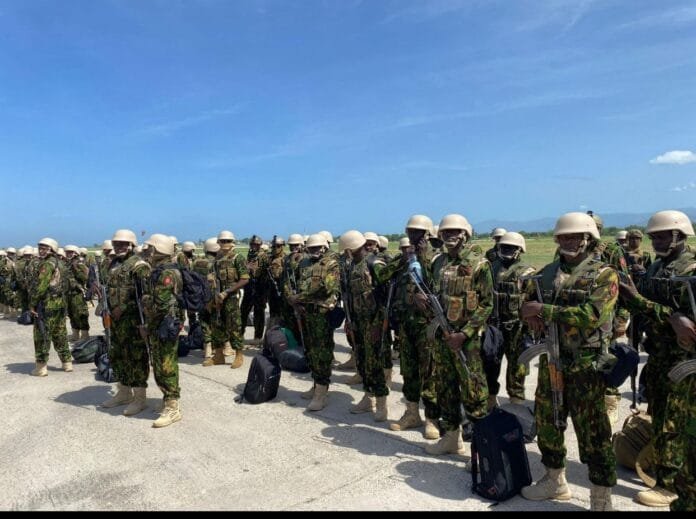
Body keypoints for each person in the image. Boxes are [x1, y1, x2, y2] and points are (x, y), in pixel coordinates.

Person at [520, 212, 618, 511]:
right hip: (552, 359)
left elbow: (593, 315)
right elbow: (527, 303)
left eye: (575, 236)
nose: (569, 241)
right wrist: (530, 314)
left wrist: (545, 310)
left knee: (593, 433)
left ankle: (600, 496)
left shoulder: (604, 274)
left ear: (589, 238)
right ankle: (554, 480)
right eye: (563, 236)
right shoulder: (547, 272)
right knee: (548, 422)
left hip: (586, 364)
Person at [619, 210, 695, 508]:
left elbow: (686, 321)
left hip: (683, 359)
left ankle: (670, 485)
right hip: (659, 355)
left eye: (663, 236)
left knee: (673, 423)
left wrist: (638, 300)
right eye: (654, 237)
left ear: (679, 235)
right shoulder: (657, 267)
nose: (656, 242)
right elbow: (648, 304)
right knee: (659, 416)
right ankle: (665, 471)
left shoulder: (691, 268)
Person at [422, 214, 493, 456]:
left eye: (455, 231)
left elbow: (487, 304)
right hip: (442, 336)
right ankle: (452, 438)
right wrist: (424, 301)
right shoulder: (438, 262)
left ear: (465, 234)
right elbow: (435, 293)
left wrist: (464, 333)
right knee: (445, 387)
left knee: (474, 392)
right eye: (446, 232)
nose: (450, 236)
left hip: (467, 342)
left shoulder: (479, 264)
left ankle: (481, 451)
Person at [389, 216, 441, 439]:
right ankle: (411, 413)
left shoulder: (437, 257)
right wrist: (404, 258)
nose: (413, 235)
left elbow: (439, 285)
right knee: (408, 370)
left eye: (418, 232)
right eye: (410, 231)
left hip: (427, 325)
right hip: (406, 324)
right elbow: (382, 276)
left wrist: (424, 256)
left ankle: (432, 418)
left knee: (429, 372)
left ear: (427, 233)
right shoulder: (406, 258)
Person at [101, 229, 152, 416]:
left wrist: (123, 307)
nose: (119, 247)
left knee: (136, 358)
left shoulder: (139, 266)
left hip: (134, 321)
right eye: (116, 244)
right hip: (115, 321)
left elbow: (145, 296)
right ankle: (123, 392)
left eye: (123, 244)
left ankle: (140, 399)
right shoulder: (113, 264)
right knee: (118, 355)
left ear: (131, 245)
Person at [341, 231, 390, 422]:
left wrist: (380, 324)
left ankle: (382, 403)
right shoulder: (352, 265)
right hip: (358, 322)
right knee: (362, 361)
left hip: (374, 323)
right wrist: (350, 321)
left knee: (375, 363)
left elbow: (386, 295)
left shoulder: (374, 264)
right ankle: (368, 397)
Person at [288, 234, 340, 412]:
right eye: (311, 248)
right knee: (310, 350)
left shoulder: (331, 265)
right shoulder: (303, 264)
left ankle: (322, 391)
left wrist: (300, 297)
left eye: (318, 247)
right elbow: (292, 283)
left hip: (322, 315)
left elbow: (327, 288)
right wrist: (294, 301)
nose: (315, 250)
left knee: (322, 352)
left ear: (324, 247)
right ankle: (316, 383)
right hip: (305, 313)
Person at [487, 232, 535, 407]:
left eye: (511, 247)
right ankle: (491, 397)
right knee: (491, 362)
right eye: (504, 247)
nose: (506, 250)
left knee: (518, 365)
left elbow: (533, 299)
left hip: (517, 327)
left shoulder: (527, 272)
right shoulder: (490, 268)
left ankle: (516, 398)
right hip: (494, 325)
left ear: (519, 250)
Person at [143, 234, 184, 428]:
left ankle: (173, 407)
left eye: (151, 248)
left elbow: (160, 303)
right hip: (160, 324)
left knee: (166, 365)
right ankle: (167, 400)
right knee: (159, 363)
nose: (147, 251)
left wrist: (144, 300)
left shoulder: (167, 273)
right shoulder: (159, 270)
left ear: (159, 250)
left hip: (166, 324)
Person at [29, 238, 72, 376]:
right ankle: (67, 363)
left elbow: (41, 287)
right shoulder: (62, 264)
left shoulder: (47, 264)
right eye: (40, 248)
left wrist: (32, 304)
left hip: (46, 305)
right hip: (60, 304)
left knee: (42, 335)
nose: (41, 251)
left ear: (51, 249)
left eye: (44, 248)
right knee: (60, 333)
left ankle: (41, 367)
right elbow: (67, 284)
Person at [212, 231, 249, 368]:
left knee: (234, 326)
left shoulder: (237, 258)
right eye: (222, 241)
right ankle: (218, 355)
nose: (225, 244)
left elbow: (244, 279)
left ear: (232, 242)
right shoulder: (217, 259)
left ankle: (239, 355)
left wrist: (227, 292)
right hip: (218, 296)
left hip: (231, 297)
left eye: (227, 241)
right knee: (217, 325)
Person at [193, 238, 220, 367]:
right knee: (216, 321)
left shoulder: (196, 262)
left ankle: (207, 348)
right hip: (214, 297)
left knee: (203, 320)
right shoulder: (217, 263)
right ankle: (216, 348)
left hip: (200, 296)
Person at [240, 235, 268, 345]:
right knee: (243, 311)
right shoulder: (250, 254)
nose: (254, 246)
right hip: (249, 287)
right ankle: (240, 334)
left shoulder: (263, 256)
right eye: (252, 244)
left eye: (256, 244)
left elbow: (266, 272)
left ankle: (258, 337)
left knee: (259, 313)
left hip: (260, 287)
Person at [63, 245, 90, 341]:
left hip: (77, 293)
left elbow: (85, 277)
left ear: (75, 253)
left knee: (81, 314)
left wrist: (76, 268)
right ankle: (75, 334)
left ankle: (85, 335)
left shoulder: (79, 263)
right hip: (68, 293)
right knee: (71, 314)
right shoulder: (67, 263)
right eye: (67, 252)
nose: (68, 254)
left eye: (71, 252)